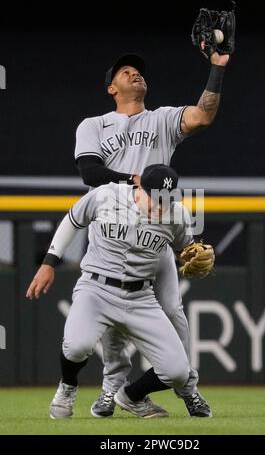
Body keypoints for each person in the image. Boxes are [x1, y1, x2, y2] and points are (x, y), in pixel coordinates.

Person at [74, 47, 229, 418]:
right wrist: (137, 179)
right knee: (112, 325)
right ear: (111, 87)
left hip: (156, 233)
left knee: (174, 312)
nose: (135, 74)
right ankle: (113, 391)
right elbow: (90, 175)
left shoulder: (162, 120)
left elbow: (204, 116)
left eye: (139, 71)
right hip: (109, 232)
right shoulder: (93, 125)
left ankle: (185, 387)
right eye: (126, 71)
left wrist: (217, 68)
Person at [26, 164, 213, 419]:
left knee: (178, 371)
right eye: (155, 197)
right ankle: (68, 386)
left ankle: (131, 396)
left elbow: (187, 251)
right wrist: (49, 263)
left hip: (141, 298)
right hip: (96, 289)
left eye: (166, 199)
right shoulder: (106, 196)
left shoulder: (177, 215)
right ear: (139, 188)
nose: (161, 205)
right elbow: (72, 220)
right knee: (76, 347)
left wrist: (193, 260)